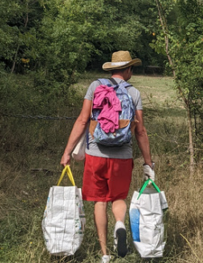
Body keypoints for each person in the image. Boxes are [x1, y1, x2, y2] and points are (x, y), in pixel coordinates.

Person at [60, 51, 155, 263]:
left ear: (112, 69)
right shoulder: (134, 93)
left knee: (99, 202)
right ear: (128, 69)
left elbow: (83, 121)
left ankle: (104, 254)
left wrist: (67, 151)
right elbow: (140, 131)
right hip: (122, 156)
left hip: (96, 154)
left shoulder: (95, 87)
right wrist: (148, 163)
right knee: (118, 198)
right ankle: (120, 224)